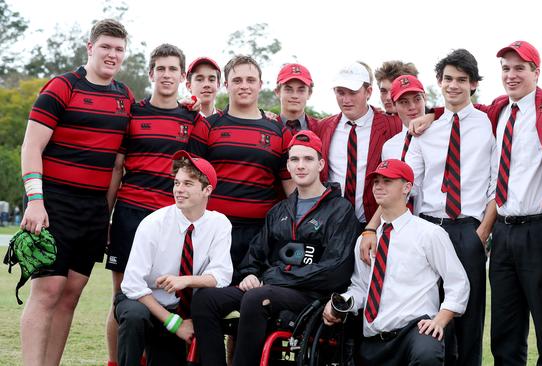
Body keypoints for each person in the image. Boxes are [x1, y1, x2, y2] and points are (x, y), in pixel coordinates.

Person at [398, 40, 542, 366]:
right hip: (503, 233)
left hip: (538, 228)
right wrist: (432, 114)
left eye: (520, 68)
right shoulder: (496, 109)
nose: (512, 75)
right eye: (506, 69)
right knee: (505, 333)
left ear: (536, 72)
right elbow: (459, 110)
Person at [19, 18, 134, 366]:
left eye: (118, 49)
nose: (112, 55)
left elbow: (119, 163)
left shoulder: (124, 97)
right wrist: (35, 200)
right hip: (53, 202)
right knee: (48, 291)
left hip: (94, 209)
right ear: (90, 47)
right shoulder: (62, 87)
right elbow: (30, 146)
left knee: (70, 295)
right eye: (105, 47)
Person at [192, 130, 359, 365]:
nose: (301, 165)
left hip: (310, 296)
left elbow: (336, 271)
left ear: (321, 164)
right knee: (205, 299)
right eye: (295, 159)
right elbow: (254, 258)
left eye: (308, 159)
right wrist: (250, 274)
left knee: (256, 298)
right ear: (288, 166)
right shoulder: (279, 211)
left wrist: (277, 277)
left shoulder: (340, 210)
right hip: (270, 288)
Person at [104, 43, 207, 366]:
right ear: (151, 73)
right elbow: (117, 167)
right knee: (123, 298)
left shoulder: (192, 119)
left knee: (166, 295)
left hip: (171, 222)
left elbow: (201, 168)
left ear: (182, 76)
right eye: (160, 68)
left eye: (172, 69)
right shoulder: (132, 112)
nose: (166, 74)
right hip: (130, 214)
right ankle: (116, 361)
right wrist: (106, 218)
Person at [322, 158, 469, 366]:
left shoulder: (430, 234)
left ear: (407, 187)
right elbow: (362, 288)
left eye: (387, 181)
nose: (379, 186)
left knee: (427, 352)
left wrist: (440, 320)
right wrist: (340, 303)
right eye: (376, 181)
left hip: (415, 332)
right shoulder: (365, 241)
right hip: (374, 339)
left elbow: (458, 282)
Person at [405, 49, 496, 366]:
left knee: (468, 317)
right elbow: (409, 182)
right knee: (429, 311)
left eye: (461, 79)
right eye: (448, 79)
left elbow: (496, 182)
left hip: (467, 229)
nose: (453, 85)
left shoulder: (489, 124)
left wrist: (482, 232)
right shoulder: (426, 129)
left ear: (473, 84)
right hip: (428, 227)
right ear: (439, 82)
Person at [115, 151, 232, 366]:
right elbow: (132, 285)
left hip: (181, 309)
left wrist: (186, 280)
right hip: (147, 304)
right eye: (177, 182)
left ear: (207, 190)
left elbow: (222, 276)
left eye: (188, 183)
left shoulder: (219, 224)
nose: (179, 189)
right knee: (133, 315)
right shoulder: (153, 223)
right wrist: (173, 323)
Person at [188, 55, 294, 282]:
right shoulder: (207, 127)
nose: (244, 86)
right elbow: (193, 183)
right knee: (208, 300)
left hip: (262, 234)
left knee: (253, 303)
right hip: (214, 231)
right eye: (237, 80)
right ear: (226, 85)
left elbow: (290, 186)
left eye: (250, 80)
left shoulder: (279, 131)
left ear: (260, 85)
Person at [317, 61, 402, 228]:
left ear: (368, 91)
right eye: (340, 92)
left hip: (376, 223)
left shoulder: (393, 125)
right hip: (331, 224)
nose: (346, 100)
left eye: (353, 92)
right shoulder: (323, 127)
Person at [381, 74, 427, 161]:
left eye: (417, 99)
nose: (412, 107)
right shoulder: (389, 147)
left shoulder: (442, 134)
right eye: (404, 102)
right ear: (394, 105)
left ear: (425, 99)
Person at [274, 63, 320, 134]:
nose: (295, 96)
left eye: (301, 90)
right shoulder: (267, 126)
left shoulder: (321, 129)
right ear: (277, 92)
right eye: (288, 89)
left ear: (309, 93)